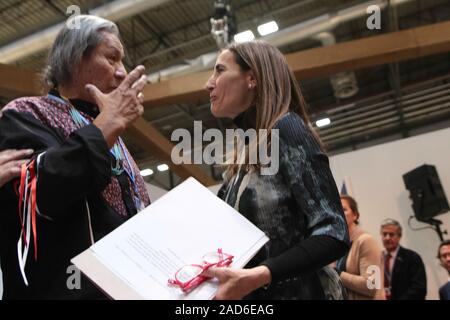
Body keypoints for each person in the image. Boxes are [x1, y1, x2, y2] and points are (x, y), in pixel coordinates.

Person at [0, 15, 150, 299]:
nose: (121, 72)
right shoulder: (26, 112)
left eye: (122, 61)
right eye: (112, 58)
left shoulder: (111, 133)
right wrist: (106, 125)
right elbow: (36, 193)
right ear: (75, 60)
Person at [203, 40, 349, 300]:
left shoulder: (287, 129)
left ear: (252, 78)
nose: (209, 83)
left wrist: (259, 275)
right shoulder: (242, 159)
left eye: (220, 70)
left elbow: (333, 232)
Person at [335, 195, 385, 300]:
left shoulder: (366, 241)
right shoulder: (339, 244)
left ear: (355, 215)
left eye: (343, 209)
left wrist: (336, 273)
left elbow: (372, 286)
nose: (339, 212)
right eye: (336, 209)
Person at [380, 218, 427, 300]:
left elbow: (419, 289)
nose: (387, 238)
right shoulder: (377, 259)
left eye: (391, 234)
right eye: (384, 234)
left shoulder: (412, 257)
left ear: (399, 237)